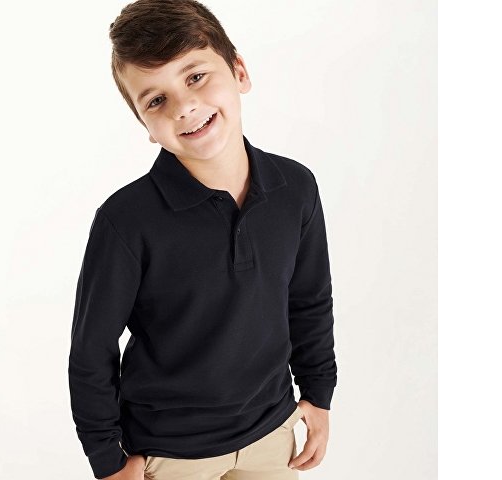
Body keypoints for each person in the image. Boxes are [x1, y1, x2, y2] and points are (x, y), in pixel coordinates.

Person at [68, 1, 338, 478]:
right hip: (169, 453)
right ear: (145, 126)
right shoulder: (124, 221)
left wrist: (318, 393)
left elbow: (308, 299)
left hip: (272, 435)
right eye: (156, 100)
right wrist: (107, 460)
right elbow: (92, 351)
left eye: (195, 76)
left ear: (239, 72)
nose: (184, 106)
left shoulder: (295, 187)